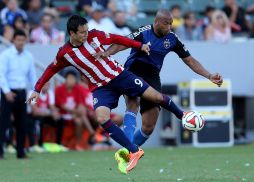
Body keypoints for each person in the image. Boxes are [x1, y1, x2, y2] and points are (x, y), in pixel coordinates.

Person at [26, 15, 222, 173]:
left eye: (87, 31)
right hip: (101, 87)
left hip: (120, 75)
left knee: (155, 100)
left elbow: (117, 39)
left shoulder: (95, 35)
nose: (86, 34)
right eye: (82, 32)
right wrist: (36, 88)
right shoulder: (65, 53)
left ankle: (183, 115)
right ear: (72, 33)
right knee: (102, 118)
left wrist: (136, 46)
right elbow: (51, 69)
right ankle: (133, 151)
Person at [99, 9, 223, 160]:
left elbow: (190, 60)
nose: (169, 27)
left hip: (152, 75)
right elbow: (122, 44)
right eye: (166, 24)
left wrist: (209, 75)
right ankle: (129, 150)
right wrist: (106, 53)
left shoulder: (172, 39)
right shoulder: (143, 32)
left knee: (148, 126)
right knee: (133, 103)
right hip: (134, 70)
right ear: (156, 22)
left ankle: (127, 152)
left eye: (171, 24)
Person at [0, 29, 37, 159]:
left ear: (26, 41)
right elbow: (1, 74)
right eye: (18, 40)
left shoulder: (28, 56)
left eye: (23, 40)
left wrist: (35, 91)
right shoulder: (6, 55)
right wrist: (6, 91)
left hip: (22, 93)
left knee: (22, 124)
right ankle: (0, 152)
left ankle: (20, 152)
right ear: (13, 40)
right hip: (8, 93)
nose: (20, 42)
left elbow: (32, 76)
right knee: (3, 124)